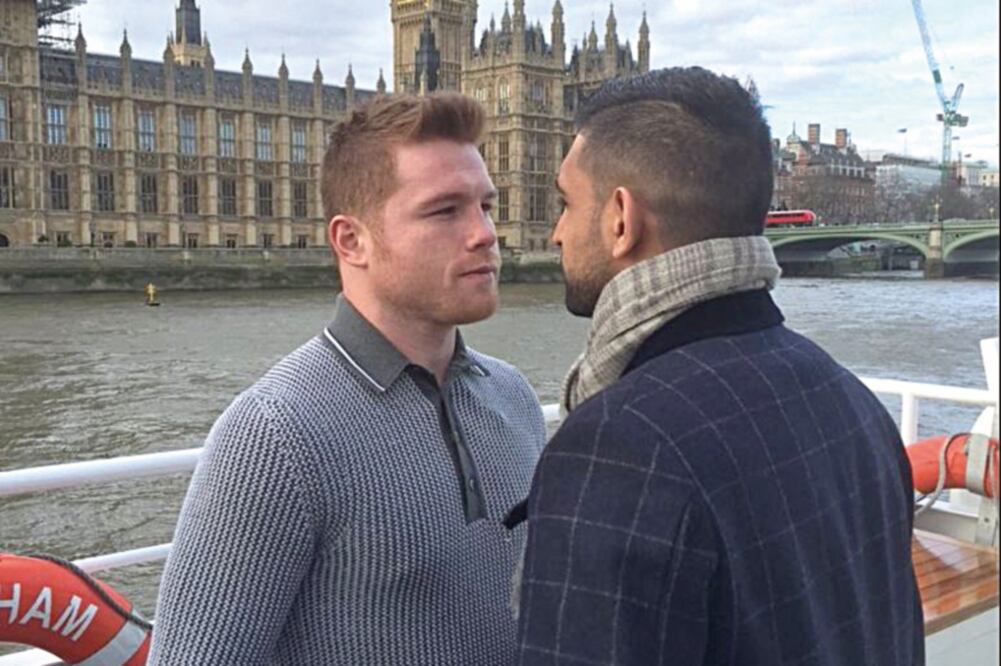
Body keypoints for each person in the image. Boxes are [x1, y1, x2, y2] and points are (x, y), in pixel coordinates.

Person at [514, 67, 923, 665]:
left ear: (620, 219)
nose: (556, 233)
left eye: (566, 203)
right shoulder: (851, 401)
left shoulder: (619, 445)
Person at [150, 93, 546, 664]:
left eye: (485, 206)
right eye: (445, 211)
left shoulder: (515, 397)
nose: (485, 233)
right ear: (351, 241)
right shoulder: (274, 437)